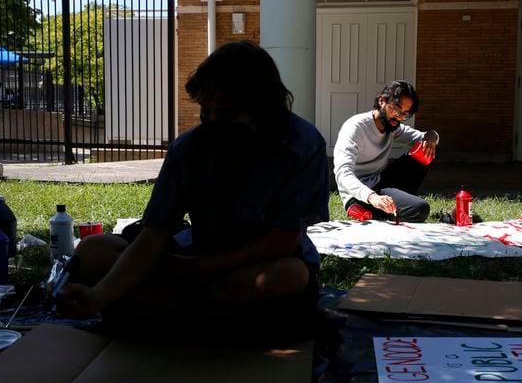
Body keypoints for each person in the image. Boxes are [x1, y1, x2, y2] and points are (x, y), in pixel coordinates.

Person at [56, 41, 330, 335]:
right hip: (192, 262)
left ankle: (168, 306)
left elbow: (281, 243)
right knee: (94, 248)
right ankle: (200, 312)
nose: (211, 121)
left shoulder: (301, 146)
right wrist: (97, 297)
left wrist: (193, 270)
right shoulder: (189, 149)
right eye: (205, 110)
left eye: (223, 112)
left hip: (254, 266)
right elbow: (154, 236)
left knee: (289, 276)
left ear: (261, 108)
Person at [333, 80, 439, 223]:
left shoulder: (392, 125)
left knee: (428, 149)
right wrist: (372, 197)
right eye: (397, 109)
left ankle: (397, 203)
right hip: (361, 192)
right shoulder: (355, 128)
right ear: (382, 101)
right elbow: (342, 174)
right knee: (420, 209)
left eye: (405, 114)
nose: (399, 117)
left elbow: (424, 137)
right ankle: (359, 207)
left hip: (380, 181)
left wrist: (432, 135)